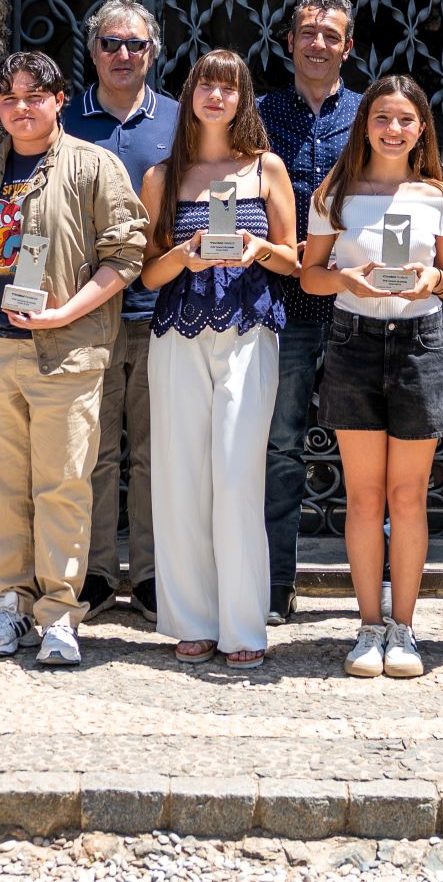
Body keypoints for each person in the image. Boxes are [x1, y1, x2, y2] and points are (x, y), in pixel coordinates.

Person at [0, 51, 147, 667]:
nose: (21, 108)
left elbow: (126, 254)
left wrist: (66, 313)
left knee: (62, 485)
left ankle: (59, 613)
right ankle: (10, 603)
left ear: (60, 100)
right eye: (9, 98)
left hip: (66, 350)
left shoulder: (95, 166)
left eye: (34, 95)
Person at [302, 75, 443, 679]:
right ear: (364, 124)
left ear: (421, 128)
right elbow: (310, 275)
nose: (394, 130)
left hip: (420, 341)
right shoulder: (334, 195)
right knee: (365, 496)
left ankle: (405, 629)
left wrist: (433, 281)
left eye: (405, 120)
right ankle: (369, 625)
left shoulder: (440, 197)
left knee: (409, 495)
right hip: (354, 342)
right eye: (382, 118)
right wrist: (346, 279)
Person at [140, 51, 296, 669]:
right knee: (180, 477)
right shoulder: (161, 175)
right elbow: (147, 274)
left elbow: (295, 260)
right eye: (207, 84)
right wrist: (186, 255)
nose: (216, 96)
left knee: (236, 476)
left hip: (249, 330)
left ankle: (243, 624)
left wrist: (257, 248)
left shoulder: (266, 168)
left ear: (242, 99)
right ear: (191, 93)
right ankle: (194, 621)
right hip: (177, 332)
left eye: (229, 88)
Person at [62, 0, 182, 623]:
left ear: (152, 53)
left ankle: (155, 574)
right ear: (92, 51)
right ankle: (98, 572)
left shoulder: (181, 120)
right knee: (95, 450)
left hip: (164, 309)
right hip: (89, 312)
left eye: (135, 44)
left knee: (157, 453)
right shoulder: (64, 120)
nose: (123, 55)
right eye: (110, 43)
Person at [258, 0, 363, 624]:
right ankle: (275, 583)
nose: (317, 44)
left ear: (348, 47)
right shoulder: (260, 113)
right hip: (285, 304)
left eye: (330, 35)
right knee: (280, 446)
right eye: (307, 33)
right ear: (290, 42)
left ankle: (375, 588)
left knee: (369, 448)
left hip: (358, 302)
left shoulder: (372, 113)